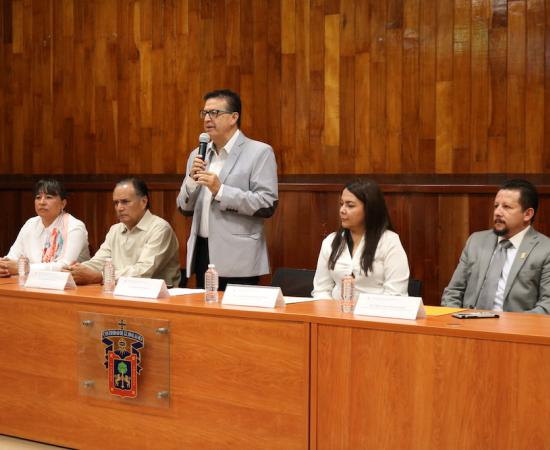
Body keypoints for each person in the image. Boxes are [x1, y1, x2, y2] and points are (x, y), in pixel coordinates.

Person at [177, 89, 278, 290]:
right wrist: (191, 182)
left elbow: (267, 203)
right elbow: (184, 208)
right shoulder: (197, 154)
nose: (207, 119)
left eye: (214, 113)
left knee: (235, 320)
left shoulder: (259, 152)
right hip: (202, 252)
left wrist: (221, 191)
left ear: (234, 117)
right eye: (204, 113)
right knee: (203, 318)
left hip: (238, 258)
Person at [442, 179, 550, 313]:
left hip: (514, 330)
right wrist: (457, 321)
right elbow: (453, 292)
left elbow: (547, 305)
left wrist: (509, 327)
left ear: (527, 214)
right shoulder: (476, 241)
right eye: (496, 206)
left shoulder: (545, 250)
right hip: (468, 325)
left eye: (506, 207)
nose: (497, 212)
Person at [69, 178, 181, 287]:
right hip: (120, 291)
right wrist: (74, 271)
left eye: (125, 202)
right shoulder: (115, 230)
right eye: (116, 203)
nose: (119, 208)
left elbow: (143, 272)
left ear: (143, 202)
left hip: (158, 297)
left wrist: (101, 277)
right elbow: (99, 262)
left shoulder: (160, 228)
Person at [312, 179, 409, 299]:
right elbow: (321, 290)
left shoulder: (389, 241)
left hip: (376, 315)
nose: (342, 210)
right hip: (336, 314)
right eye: (341, 204)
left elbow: (396, 294)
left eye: (350, 205)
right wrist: (333, 314)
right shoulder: (330, 242)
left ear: (369, 209)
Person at [0, 178, 90, 276]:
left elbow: (65, 266)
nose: (42, 202)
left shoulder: (75, 227)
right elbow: (12, 257)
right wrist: (4, 267)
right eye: (38, 197)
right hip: (32, 283)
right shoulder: (30, 224)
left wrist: (23, 268)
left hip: (70, 287)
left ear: (63, 204)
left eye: (48, 197)